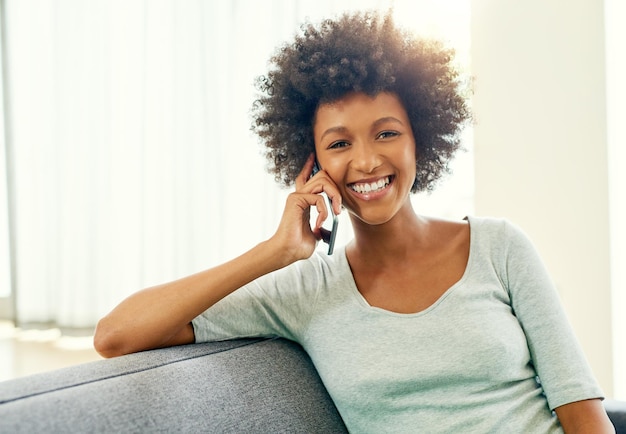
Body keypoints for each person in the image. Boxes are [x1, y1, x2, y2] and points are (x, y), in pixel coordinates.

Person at [94, 11, 614, 433]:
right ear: (312, 163)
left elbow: (584, 415)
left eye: (386, 133)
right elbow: (116, 334)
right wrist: (274, 252)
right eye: (339, 143)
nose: (365, 162)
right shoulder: (303, 291)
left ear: (420, 139)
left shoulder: (500, 247)